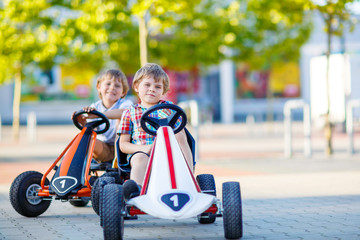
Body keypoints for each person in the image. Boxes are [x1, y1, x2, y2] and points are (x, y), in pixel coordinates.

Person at [118, 63, 193, 200]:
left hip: (168, 153)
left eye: (157, 87)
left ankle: (189, 179)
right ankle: (136, 194)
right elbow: (123, 145)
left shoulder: (170, 109)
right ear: (136, 87)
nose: (152, 89)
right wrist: (146, 148)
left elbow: (181, 137)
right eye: (147, 85)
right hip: (142, 153)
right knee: (140, 158)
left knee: (180, 134)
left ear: (163, 91)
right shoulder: (130, 112)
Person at [72, 69, 132, 163]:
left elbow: (124, 113)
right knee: (87, 139)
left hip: (123, 149)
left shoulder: (125, 104)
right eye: (108, 84)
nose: (112, 88)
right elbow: (93, 132)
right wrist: (84, 123)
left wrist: (98, 116)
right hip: (104, 149)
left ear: (123, 92)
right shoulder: (95, 107)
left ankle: (117, 161)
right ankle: (75, 167)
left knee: (121, 119)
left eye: (117, 86)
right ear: (99, 87)